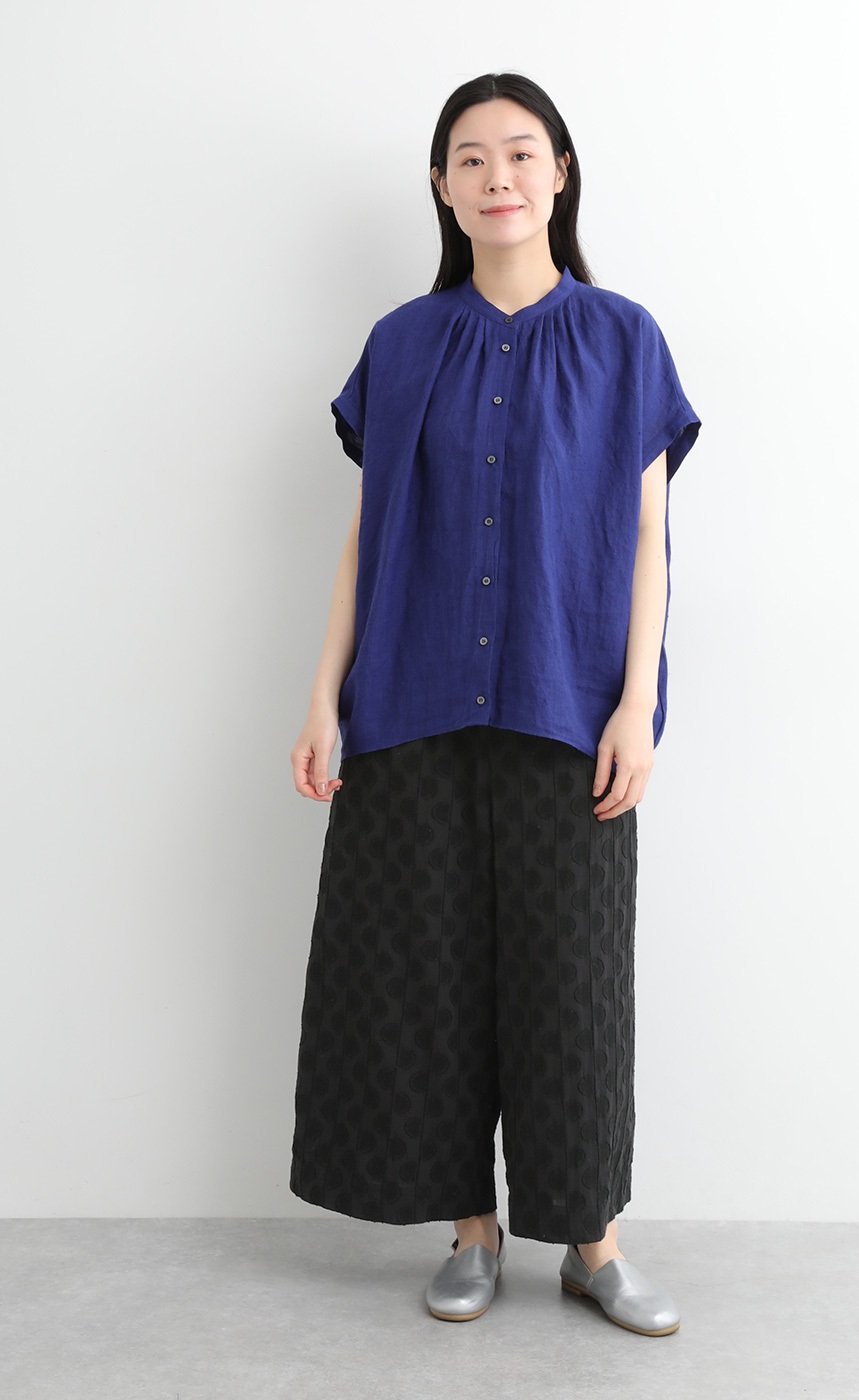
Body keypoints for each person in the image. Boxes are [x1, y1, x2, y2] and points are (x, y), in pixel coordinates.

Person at [287, 71, 701, 1337]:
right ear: (442, 186)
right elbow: (368, 534)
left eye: (522, 152)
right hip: (407, 705)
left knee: (572, 982)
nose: (498, 175)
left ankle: (591, 1242)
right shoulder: (402, 343)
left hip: (567, 708)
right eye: (471, 157)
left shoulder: (624, 336)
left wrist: (636, 702)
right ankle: (470, 1229)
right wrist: (322, 695)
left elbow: (649, 534)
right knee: (427, 978)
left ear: (561, 173)